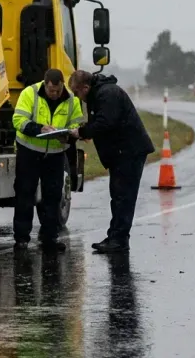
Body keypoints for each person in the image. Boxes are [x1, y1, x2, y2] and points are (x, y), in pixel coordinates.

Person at [67, 70, 155, 253]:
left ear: (85, 87)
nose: (77, 96)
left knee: (123, 196)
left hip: (129, 151)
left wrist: (82, 132)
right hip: (120, 152)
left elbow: (105, 122)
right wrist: (86, 130)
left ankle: (119, 239)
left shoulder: (107, 94)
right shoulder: (99, 94)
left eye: (76, 92)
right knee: (118, 196)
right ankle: (116, 236)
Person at [11, 68, 84, 252]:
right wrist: (39, 128)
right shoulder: (30, 93)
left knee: (53, 197)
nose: (55, 94)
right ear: (45, 84)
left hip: (55, 154)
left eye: (58, 91)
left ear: (62, 86)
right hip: (29, 151)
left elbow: (77, 124)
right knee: (24, 194)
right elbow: (18, 120)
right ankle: (21, 239)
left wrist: (68, 135)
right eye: (52, 90)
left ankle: (50, 238)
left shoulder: (71, 99)